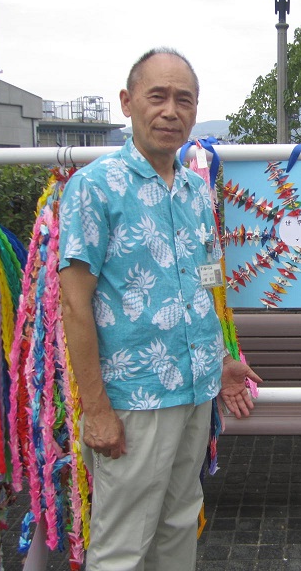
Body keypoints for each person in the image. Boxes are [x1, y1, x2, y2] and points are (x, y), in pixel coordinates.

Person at [58, 47, 262, 571]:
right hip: (135, 398)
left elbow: (204, 286)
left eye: (184, 100)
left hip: (195, 392)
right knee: (123, 543)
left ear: (195, 111)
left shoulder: (196, 192)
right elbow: (74, 305)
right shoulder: (94, 187)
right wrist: (96, 410)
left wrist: (222, 361)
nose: (171, 111)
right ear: (128, 103)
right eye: (158, 96)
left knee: (178, 523)